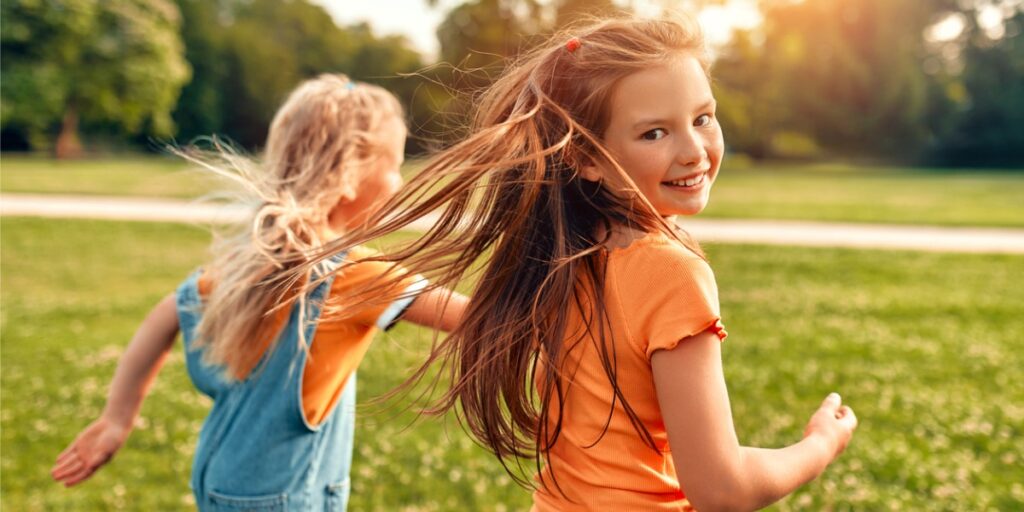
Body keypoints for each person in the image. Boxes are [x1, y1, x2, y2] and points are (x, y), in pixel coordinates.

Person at [306, 15, 858, 512]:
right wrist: (817, 446)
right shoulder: (672, 274)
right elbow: (721, 488)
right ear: (586, 157)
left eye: (704, 118)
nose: (694, 149)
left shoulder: (561, 250)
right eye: (655, 132)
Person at [50, 74, 466, 511]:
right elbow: (476, 316)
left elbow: (164, 316)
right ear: (349, 175)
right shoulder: (355, 275)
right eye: (395, 167)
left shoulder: (247, 263)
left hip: (220, 485)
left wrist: (117, 418)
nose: (401, 183)